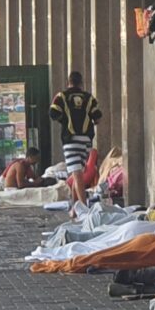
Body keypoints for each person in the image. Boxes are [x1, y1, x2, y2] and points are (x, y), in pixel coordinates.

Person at [50, 70, 102, 212]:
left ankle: (83, 209)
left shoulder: (61, 96)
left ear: (69, 82)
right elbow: (97, 118)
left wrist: (65, 121)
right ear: (81, 83)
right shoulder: (89, 98)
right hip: (86, 140)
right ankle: (75, 207)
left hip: (70, 139)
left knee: (77, 173)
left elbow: (53, 113)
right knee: (77, 172)